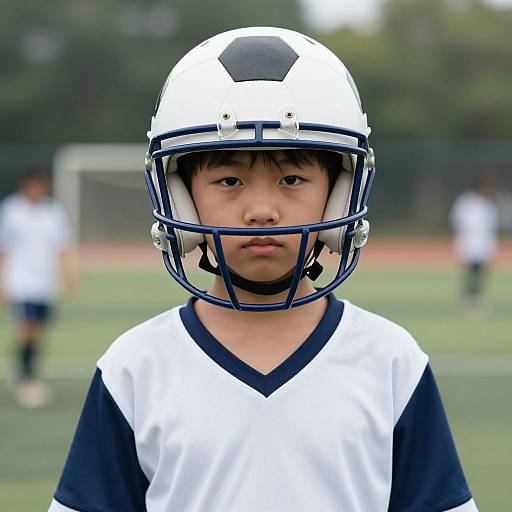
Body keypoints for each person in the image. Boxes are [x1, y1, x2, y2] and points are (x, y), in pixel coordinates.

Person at [48, 27, 478, 511]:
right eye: (229, 179)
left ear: (339, 194)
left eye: (292, 178)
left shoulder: (392, 363)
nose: (261, 210)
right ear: (182, 200)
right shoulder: (134, 368)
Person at [0, 167, 76, 408]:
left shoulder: (53, 212)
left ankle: (26, 372)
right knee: (27, 330)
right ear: (25, 185)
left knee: (38, 332)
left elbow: (62, 247)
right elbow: (4, 249)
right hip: (21, 282)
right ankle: (26, 379)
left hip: (45, 283)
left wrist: (68, 277)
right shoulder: (11, 210)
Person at [449, 177, 499, 312]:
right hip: (468, 241)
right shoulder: (465, 202)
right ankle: (468, 297)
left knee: (480, 271)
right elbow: (457, 220)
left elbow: (490, 226)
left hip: (483, 242)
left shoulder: (487, 204)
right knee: (471, 271)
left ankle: (476, 296)